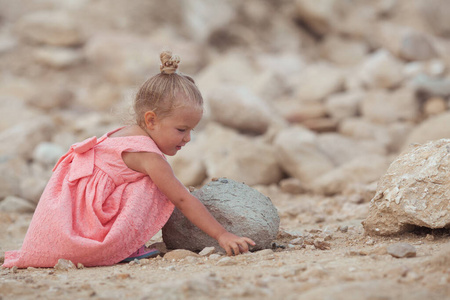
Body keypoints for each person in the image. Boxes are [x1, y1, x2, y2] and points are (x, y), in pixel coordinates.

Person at [2, 51, 255, 268]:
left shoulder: (123, 134)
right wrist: (222, 234)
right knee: (155, 184)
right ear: (151, 120)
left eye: (191, 130)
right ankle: (121, 247)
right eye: (181, 130)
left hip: (70, 221)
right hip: (89, 232)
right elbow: (181, 198)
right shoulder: (147, 155)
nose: (187, 138)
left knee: (155, 180)